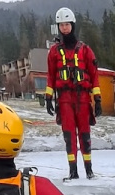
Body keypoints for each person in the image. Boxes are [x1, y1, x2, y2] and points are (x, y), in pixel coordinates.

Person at [45, 7, 102, 180]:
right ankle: (73, 172)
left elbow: (94, 75)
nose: (64, 28)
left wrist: (97, 100)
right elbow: (50, 76)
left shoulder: (85, 50)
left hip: (83, 99)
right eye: (61, 25)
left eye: (67, 24)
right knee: (69, 137)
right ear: (58, 27)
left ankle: (89, 170)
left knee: (84, 135)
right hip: (64, 100)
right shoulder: (54, 52)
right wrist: (48, 98)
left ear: (73, 25)